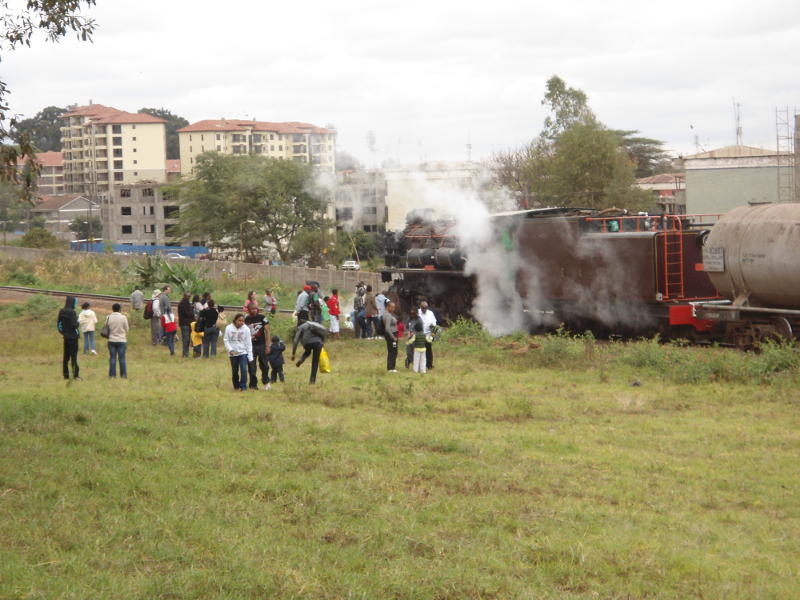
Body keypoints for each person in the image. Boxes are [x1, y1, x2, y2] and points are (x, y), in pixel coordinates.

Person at [291, 320, 328, 384]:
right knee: (315, 362)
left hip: (307, 343)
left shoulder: (301, 327)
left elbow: (295, 341)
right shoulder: (314, 325)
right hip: (318, 343)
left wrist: (293, 353)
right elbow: (323, 333)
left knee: (307, 351)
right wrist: (322, 343)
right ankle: (312, 380)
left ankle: (301, 359)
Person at [223, 313, 253, 392]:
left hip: (243, 352)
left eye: (243, 321)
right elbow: (226, 340)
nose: (241, 322)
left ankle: (243, 387)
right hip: (233, 353)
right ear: (235, 320)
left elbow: (248, 343)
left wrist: (250, 356)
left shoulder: (246, 329)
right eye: (239, 320)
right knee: (235, 370)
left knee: (244, 369)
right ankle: (236, 386)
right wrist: (230, 350)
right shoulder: (228, 328)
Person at [245, 304, 271, 391]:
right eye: (252, 309)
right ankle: (253, 384)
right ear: (248, 310)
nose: (254, 310)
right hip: (250, 346)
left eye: (255, 308)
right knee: (251, 366)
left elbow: (267, 331)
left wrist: (268, 345)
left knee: (264, 365)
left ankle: (266, 381)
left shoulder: (262, 318)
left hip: (262, 345)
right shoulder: (246, 319)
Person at [57, 295, 80, 380]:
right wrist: (78, 322)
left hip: (66, 337)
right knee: (74, 357)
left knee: (66, 357)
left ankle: (65, 375)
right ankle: (75, 375)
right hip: (73, 337)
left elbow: (59, 324)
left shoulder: (61, 311)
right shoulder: (72, 312)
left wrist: (64, 333)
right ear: (72, 303)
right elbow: (74, 325)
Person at [106, 303, 129, 378]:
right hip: (121, 340)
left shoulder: (108, 317)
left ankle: (112, 375)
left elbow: (106, 327)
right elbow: (127, 329)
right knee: (122, 358)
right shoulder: (123, 317)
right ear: (120, 309)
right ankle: (123, 375)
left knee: (112, 358)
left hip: (111, 340)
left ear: (112, 309)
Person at [419, 301, 437, 370]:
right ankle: (421, 365)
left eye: (426, 308)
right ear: (420, 307)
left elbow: (434, 321)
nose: (424, 309)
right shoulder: (417, 313)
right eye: (423, 308)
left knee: (428, 349)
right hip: (419, 334)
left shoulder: (430, 313)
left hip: (428, 334)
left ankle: (429, 365)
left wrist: (433, 326)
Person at [382, 301, 399, 372]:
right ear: (388, 307)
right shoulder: (388, 315)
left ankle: (391, 367)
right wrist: (393, 337)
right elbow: (387, 328)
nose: (393, 309)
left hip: (390, 335)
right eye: (392, 307)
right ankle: (391, 368)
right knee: (393, 351)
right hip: (391, 335)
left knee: (391, 351)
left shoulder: (386, 314)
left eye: (394, 307)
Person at [178, 292, 194, 358]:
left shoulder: (187, 304)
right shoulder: (182, 304)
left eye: (189, 296)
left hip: (187, 323)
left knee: (187, 339)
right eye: (188, 296)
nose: (189, 298)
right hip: (184, 324)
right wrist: (191, 310)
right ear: (185, 296)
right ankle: (185, 354)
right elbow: (187, 313)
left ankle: (186, 353)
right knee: (186, 339)